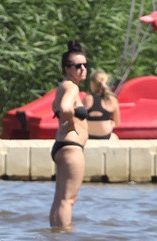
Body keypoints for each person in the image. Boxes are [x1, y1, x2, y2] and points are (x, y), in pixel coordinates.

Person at [50, 40, 88, 229]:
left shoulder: (63, 86)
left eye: (85, 65)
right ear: (67, 68)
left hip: (62, 146)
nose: (82, 69)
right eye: (77, 66)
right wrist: (72, 125)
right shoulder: (71, 87)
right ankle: (65, 240)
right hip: (71, 147)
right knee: (68, 200)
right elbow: (65, 108)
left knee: (60, 199)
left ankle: (56, 236)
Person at [83, 70, 120, 140]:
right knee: (115, 137)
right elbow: (117, 123)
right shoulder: (112, 100)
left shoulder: (87, 99)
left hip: (89, 136)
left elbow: (80, 120)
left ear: (92, 84)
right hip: (106, 136)